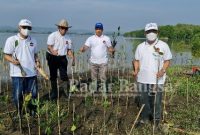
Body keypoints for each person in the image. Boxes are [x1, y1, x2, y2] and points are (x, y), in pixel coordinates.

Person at [133, 23, 172, 129]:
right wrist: (136, 70)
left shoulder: (163, 45)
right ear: (145, 33)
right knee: (143, 100)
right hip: (142, 79)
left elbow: (167, 60)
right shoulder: (140, 46)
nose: (151, 33)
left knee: (156, 101)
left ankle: (156, 122)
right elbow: (136, 60)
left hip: (157, 80)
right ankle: (144, 119)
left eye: (154, 31)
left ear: (157, 32)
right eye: (149, 31)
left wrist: (163, 70)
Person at [3, 19, 40, 115]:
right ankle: (20, 112)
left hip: (32, 73)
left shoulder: (33, 41)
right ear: (19, 27)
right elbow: (6, 55)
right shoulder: (12, 40)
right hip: (17, 73)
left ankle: (33, 112)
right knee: (17, 95)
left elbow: (35, 54)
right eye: (24, 27)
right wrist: (13, 61)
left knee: (33, 95)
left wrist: (38, 62)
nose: (26, 29)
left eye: (28, 28)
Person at [80, 22, 114, 93]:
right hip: (93, 62)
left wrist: (112, 50)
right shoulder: (90, 38)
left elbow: (110, 48)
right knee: (93, 78)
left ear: (102, 30)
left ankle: (104, 92)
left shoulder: (106, 38)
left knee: (103, 78)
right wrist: (82, 49)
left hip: (103, 62)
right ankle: (93, 91)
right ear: (95, 30)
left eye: (100, 29)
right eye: (97, 29)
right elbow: (85, 47)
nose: (98, 30)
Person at [46, 19, 74, 100]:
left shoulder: (68, 38)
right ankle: (54, 93)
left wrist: (72, 57)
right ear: (59, 27)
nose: (64, 30)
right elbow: (49, 46)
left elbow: (68, 50)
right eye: (62, 28)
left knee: (64, 76)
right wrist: (52, 51)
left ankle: (66, 93)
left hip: (62, 58)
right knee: (53, 76)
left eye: (66, 28)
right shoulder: (52, 35)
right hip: (52, 57)